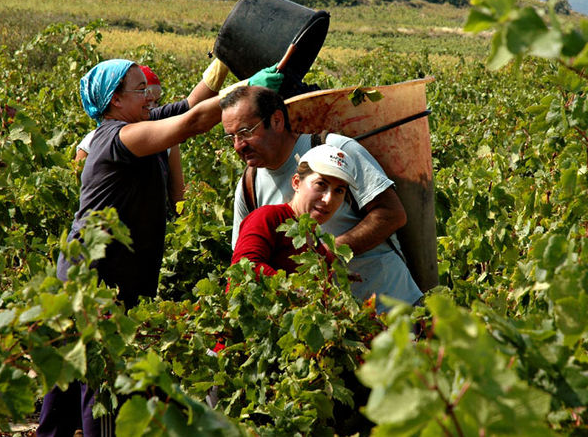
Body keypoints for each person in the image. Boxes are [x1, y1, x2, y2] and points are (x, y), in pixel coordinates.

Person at [38, 59, 284, 437]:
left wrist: (224, 66)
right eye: (141, 90)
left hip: (97, 276)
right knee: (104, 384)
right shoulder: (119, 138)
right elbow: (193, 122)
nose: (151, 96)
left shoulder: (140, 126)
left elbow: (189, 106)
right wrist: (248, 93)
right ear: (115, 100)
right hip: (99, 282)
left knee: (69, 376)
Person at [220, 85, 423, 312]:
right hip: (332, 323)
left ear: (277, 121)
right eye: (232, 137)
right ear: (296, 182)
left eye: (246, 132)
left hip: (391, 302)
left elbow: (391, 213)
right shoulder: (247, 186)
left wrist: (330, 253)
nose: (238, 145)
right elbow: (244, 263)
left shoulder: (335, 150)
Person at [231, 144, 357, 278]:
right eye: (320, 184)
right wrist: (296, 290)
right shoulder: (268, 218)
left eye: (339, 191)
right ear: (296, 183)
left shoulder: (317, 249)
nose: (328, 199)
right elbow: (244, 268)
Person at [74, 65, 185, 212]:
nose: (151, 104)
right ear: (116, 99)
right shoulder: (91, 143)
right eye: (142, 92)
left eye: (157, 101)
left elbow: (178, 197)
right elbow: (82, 199)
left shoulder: (168, 143)